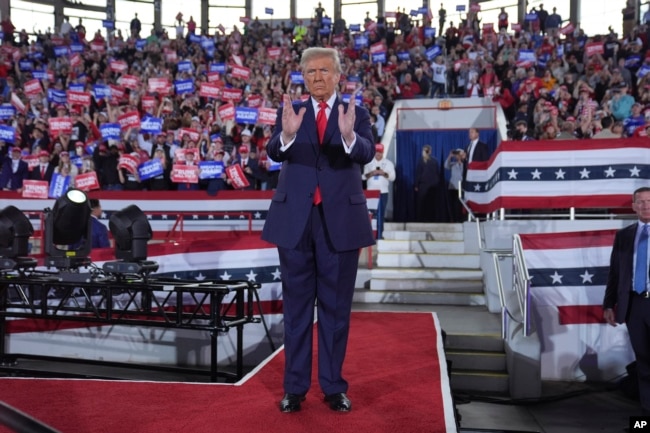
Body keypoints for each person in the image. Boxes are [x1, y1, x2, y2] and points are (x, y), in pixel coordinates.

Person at [261, 47, 375, 414]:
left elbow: (366, 152)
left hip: (340, 224)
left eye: (324, 70)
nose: (316, 77)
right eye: (309, 72)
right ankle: (294, 388)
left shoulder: (356, 114)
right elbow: (274, 151)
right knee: (295, 311)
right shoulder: (292, 112)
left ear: (338, 75)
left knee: (335, 310)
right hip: (295, 223)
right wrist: (288, 136)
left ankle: (333, 386)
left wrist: (348, 137)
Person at [604, 186, 650, 415]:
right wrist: (608, 304)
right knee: (643, 361)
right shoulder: (624, 236)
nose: (646, 205)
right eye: (640, 202)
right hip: (635, 305)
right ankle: (646, 415)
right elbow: (615, 273)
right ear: (633, 207)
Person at [363, 143, 396, 239]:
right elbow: (363, 177)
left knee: (381, 214)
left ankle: (379, 235)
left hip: (382, 192)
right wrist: (372, 173)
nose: (378, 154)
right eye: (377, 152)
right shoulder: (369, 163)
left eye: (380, 152)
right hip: (370, 192)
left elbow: (393, 177)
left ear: (383, 152)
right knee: (370, 214)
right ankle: (370, 236)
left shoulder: (388, 163)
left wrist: (383, 173)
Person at [414, 144, 441, 222]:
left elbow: (418, 174)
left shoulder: (421, 161)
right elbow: (437, 173)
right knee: (431, 203)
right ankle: (432, 219)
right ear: (430, 151)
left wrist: (416, 185)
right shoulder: (434, 161)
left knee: (422, 203)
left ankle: (420, 219)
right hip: (433, 186)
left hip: (423, 186)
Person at [445, 148, 466, 223]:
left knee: (459, 204)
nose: (457, 156)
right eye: (456, 155)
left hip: (461, 187)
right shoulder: (453, 164)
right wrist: (450, 156)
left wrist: (462, 159)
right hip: (452, 187)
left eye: (458, 154)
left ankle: (459, 219)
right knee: (452, 204)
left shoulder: (465, 164)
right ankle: (452, 219)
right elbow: (446, 166)